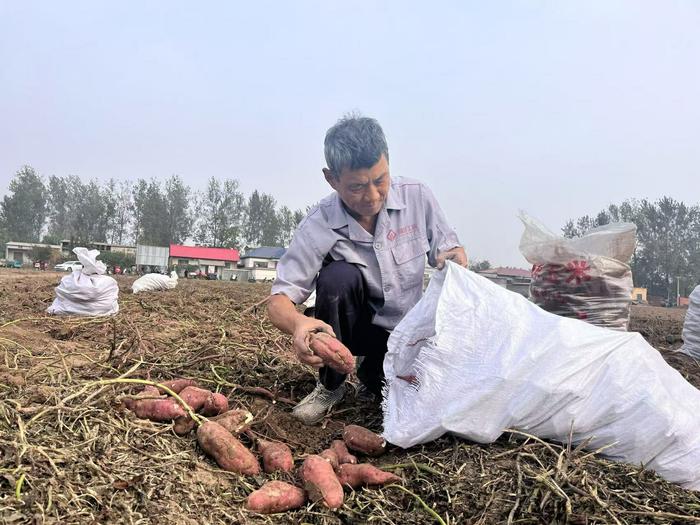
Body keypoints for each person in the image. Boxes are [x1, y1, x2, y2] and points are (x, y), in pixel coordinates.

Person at [267, 115, 468, 425]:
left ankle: (371, 372)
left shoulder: (418, 197)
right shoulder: (319, 223)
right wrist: (297, 324)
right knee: (338, 276)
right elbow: (279, 299)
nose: (372, 196)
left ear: (388, 163)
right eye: (357, 187)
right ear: (331, 179)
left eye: (380, 180)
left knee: (394, 393)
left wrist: (452, 257)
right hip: (357, 328)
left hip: (408, 331)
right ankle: (330, 386)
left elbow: (450, 249)